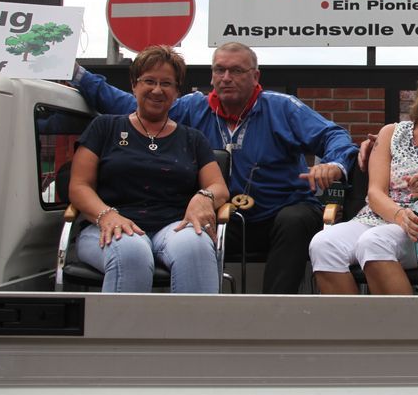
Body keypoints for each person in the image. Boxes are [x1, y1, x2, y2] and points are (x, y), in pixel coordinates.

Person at [71, 42, 358, 293]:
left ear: (255, 76)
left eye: (236, 71)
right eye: (220, 70)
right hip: (225, 216)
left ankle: (273, 315)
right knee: (193, 236)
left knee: (293, 221)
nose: (226, 77)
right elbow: (135, 103)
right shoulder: (192, 108)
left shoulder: (282, 108)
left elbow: (333, 135)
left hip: (281, 211)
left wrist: (333, 164)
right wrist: (78, 75)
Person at [309, 58, 418, 294]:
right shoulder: (390, 133)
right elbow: (375, 193)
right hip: (377, 218)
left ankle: (401, 319)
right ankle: (353, 318)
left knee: (374, 242)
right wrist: (399, 215)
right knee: (323, 244)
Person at [69, 46, 230, 293]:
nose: (157, 90)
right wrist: (106, 215)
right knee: (131, 251)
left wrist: (204, 197)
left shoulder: (193, 139)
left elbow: (218, 187)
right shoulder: (104, 127)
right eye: (149, 81)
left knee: (196, 247)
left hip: (174, 227)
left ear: (177, 92)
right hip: (110, 223)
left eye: (166, 83)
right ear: (134, 85)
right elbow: (79, 186)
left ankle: (196, 321)